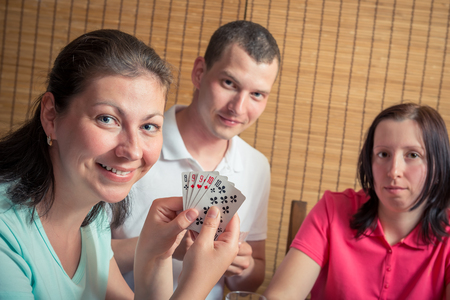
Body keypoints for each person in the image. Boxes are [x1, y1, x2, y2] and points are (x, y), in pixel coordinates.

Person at [0, 29, 240, 300]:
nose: (133, 150)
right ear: (51, 115)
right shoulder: (5, 236)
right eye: (107, 119)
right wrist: (195, 286)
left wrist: (154, 256)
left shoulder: (94, 217)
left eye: (148, 126)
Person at [111, 20, 280, 299]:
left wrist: (241, 266)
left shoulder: (257, 166)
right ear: (200, 73)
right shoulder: (133, 145)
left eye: (257, 94)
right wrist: (160, 246)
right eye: (229, 83)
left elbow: (252, 276)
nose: (238, 107)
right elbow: (78, 255)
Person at [264, 103, 450, 300]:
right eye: (383, 154)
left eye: (413, 155)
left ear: (438, 167)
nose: (393, 171)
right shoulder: (332, 209)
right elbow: (280, 295)